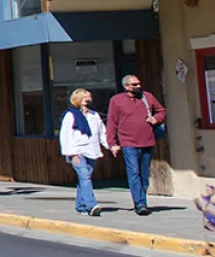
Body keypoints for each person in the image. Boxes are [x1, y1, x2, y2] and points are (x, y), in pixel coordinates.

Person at [107, 74, 166, 215]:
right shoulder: (117, 100)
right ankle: (140, 203)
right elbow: (112, 123)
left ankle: (141, 198)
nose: (138, 86)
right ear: (126, 87)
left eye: (139, 84)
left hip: (147, 141)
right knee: (133, 172)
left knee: (144, 175)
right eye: (134, 85)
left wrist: (156, 118)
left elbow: (161, 111)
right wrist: (112, 143)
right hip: (128, 142)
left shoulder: (147, 97)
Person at [59, 88, 108, 217]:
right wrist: (71, 153)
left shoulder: (94, 115)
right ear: (77, 100)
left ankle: (80, 205)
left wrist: (110, 146)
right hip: (78, 152)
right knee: (85, 177)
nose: (87, 100)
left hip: (92, 151)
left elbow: (102, 132)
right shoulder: (71, 115)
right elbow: (65, 135)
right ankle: (92, 205)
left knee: (84, 179)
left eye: (89, 97)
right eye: (84, 98)